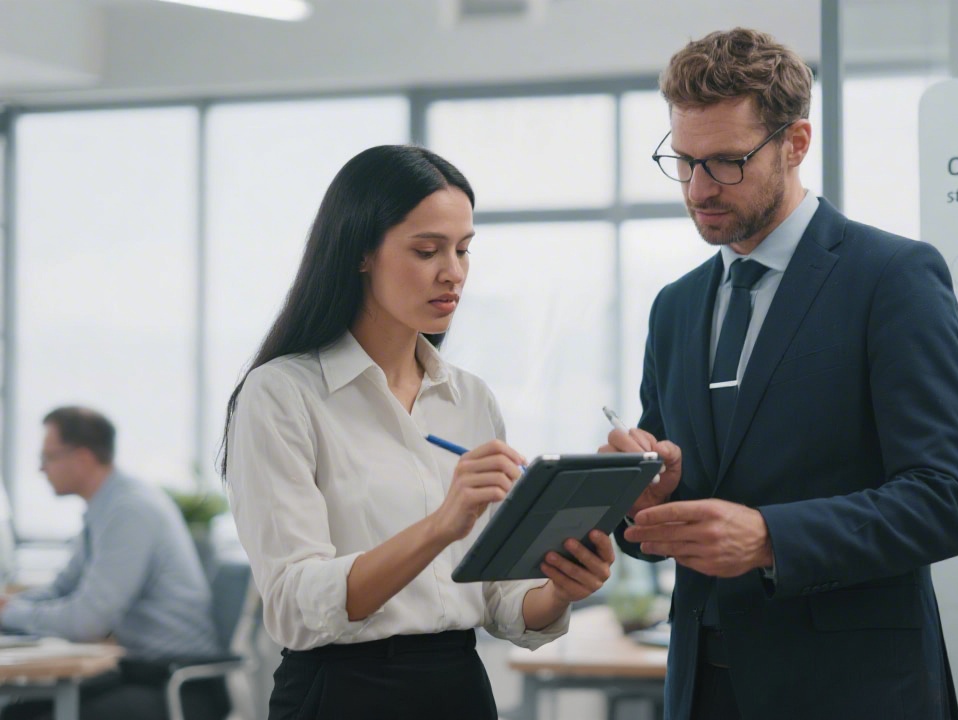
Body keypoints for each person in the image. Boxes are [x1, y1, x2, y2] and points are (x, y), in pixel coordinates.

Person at [601, 28, 958, 720]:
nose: (698, 189)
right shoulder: (675, 307)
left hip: (852, 693)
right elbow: (669, 506)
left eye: (726, 162)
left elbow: (946, 501)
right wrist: (646, 496)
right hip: (701, 690)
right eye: (683, 162)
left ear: (796, 143)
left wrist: (770, 538)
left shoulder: (892, 278)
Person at [220, 144, 615, 719]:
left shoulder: (470, 399)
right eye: (427, 250)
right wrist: (440, 526)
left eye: (463, 249)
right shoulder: (282, 394)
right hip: (342, 693)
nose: (452, 272)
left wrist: (561, 588)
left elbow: (501, 601)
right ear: (360, 253)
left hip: (459, 687)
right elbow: (295, 604)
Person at [0, 406, 227, 720]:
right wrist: (11, 605)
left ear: (82, 458)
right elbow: (63, 588)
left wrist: (9, 613)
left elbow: (87, 621)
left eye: (48, 457)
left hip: (180, 685)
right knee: (18, 712)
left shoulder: (129, 510)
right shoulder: (105, 508)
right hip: (142, 674)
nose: (41, 468)